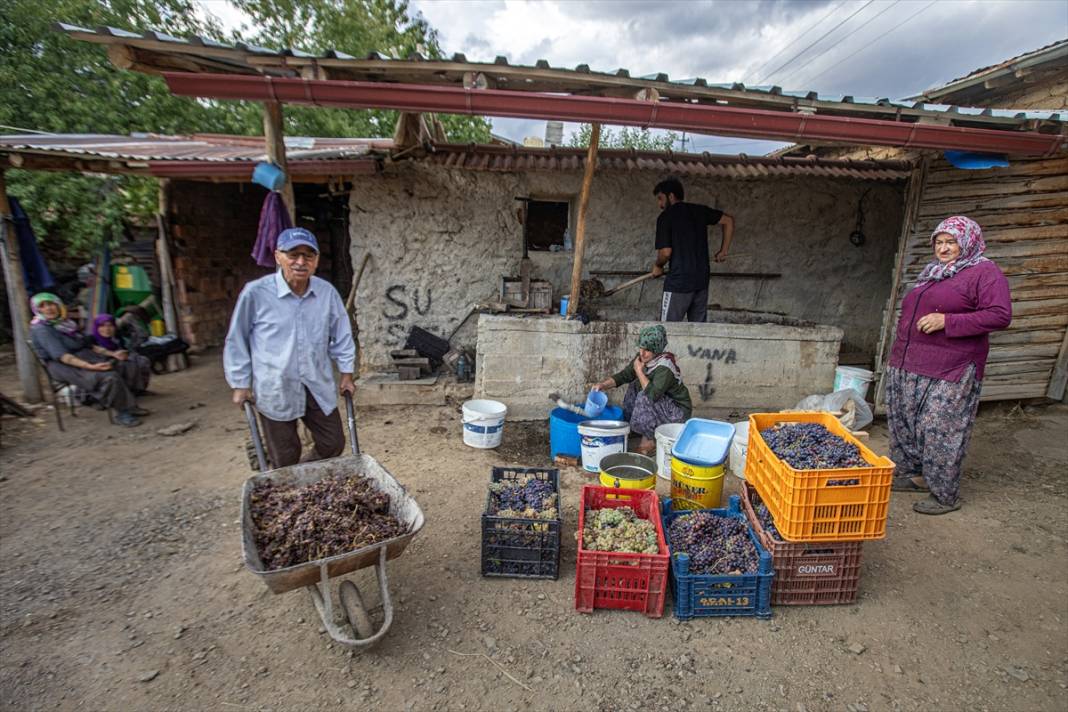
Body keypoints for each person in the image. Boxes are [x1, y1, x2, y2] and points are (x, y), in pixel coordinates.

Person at [886, 216, 1011, 515]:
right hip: (910, 361)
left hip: (952, 366)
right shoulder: (934, 273)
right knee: (906, 422)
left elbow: (999, 315)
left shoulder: (984, 272)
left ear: (967, 242)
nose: (943, 248)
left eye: (951, 242)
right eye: (939, 242)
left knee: (939, 427)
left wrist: (948, 321)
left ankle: (945, 494)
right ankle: (915, 476)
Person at [224, 227, 356, 468]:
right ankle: (288, 482)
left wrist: (347, 374)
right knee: (285, 455)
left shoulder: (326, 293)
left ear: (316, 261)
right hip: (275, 384)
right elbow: (237, 340)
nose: (300, 262)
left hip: (315, 382)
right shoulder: (256, 293)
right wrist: (240, 383)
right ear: (278, 256)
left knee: (333, 442)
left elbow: (342, 335)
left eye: (308, 256)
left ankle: (304, 475)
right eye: (293, 254)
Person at [28, 293, 148, 427]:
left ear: (58, 305)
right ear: (37, 310)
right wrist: (91, 367)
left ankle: (128, 404)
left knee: (126, 364)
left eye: (51, 304)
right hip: (63, 365)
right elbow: (63, 356)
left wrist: (112, 354)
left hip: (83, 355)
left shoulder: (65, 323)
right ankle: (122, 413)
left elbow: (88, 345)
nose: (48, 309)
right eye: (43, 306)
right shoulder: (42, 329)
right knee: (108, 377)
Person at [591, 325, 692, 455]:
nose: (642, 353)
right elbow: (624, 375)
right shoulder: (643, 358)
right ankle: (633, 427)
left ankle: (648, 440)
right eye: (641, 348)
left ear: (656, 351)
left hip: (677, 413)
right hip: (662, 407)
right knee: (634, 385)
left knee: (645, 395)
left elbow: (653, 395)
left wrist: (639, 370)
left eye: (647, 350)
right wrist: (602, 385)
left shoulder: (665, 367)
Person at [651, 177, 735, 322]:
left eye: (660, 198)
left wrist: (658, 266)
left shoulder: (665, 217)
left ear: (670, 196)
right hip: (701, 281)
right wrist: (723, 251)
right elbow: (728, 221)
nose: (659, 204)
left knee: (667, 330)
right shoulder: (699, 211)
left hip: (679, 283)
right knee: (698, 331)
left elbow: (665, 252)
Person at [91, 313, 152, 394]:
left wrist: (124, 354)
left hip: (119, 360)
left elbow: (125, 350)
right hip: (100, 365)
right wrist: (114, 354)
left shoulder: (116, 339)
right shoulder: (92, 340)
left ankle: (138, 389)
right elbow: (96, 352)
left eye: (110, 326)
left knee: (141, 360)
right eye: (102, 326)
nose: (107, 329)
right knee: (123, 364)